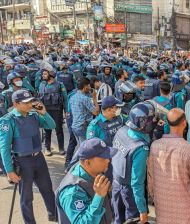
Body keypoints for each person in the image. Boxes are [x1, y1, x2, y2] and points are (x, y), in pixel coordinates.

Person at [0, 89, 57, 223]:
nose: (29, 104)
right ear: (16, 104)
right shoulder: (8, 121)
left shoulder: (34, 115)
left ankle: (53, 214)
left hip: (38, 158)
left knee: (47, 189)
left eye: (30, 101)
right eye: (25, 103)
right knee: (26, 197)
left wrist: (44, 112)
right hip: (22, 161)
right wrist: (9, 171)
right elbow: (4, 148)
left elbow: (52, 125)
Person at [148, 108, 190, 224]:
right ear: (184, 123)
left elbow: (151, 177)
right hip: (186, 209)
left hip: (162, 205)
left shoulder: (155, 146)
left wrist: (154, 196)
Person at [112, 101, 165, 224]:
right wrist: (142, 211)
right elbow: (137, 183)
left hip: (116, 183)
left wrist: (155, 123)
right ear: (144, 123)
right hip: (130, 193)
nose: (153, 122)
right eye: (151, 120)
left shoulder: (123, 130)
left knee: (118, 219)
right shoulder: (140, 149)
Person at [56, 138, 115, 224]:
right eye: (102, 159)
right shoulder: (72, 192)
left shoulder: (92, 170)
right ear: (87, 162)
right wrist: (99, 196)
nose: (108, 160)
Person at [38, 68, 68, 156]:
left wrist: (66, 111)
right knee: (47, 130)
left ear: (51, 75)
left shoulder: (59, 85)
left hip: (57, 111)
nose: (43, 76)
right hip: (45, 111)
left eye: (45, 74)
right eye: (43, 74)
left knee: (59, 130)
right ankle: (47, 148)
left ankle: (61, 148)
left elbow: (65, 98)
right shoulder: (42, 84)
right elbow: (39, 97)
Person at [69, 77, 100, 145]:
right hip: (82, 127)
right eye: (88, 85)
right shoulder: (85, 99)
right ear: (85, 87)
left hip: (75, 126)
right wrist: (95, 99)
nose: (90, 87)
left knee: (81, 148)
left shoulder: (72, 97)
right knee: (86, 149)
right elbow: (96, 112)